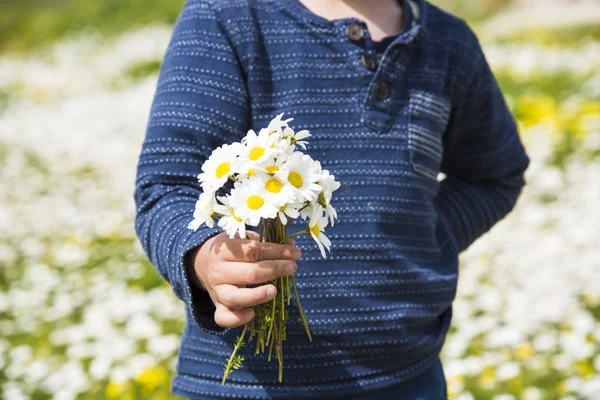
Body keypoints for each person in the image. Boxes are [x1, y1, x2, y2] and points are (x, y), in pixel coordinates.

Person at [133, 0, 531, 398]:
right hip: (245, 383)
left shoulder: (448, 43)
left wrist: (427, 237)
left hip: (407, 376)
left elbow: (495, 174)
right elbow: (166, 185)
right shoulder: (225, 17)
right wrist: (205, 258)